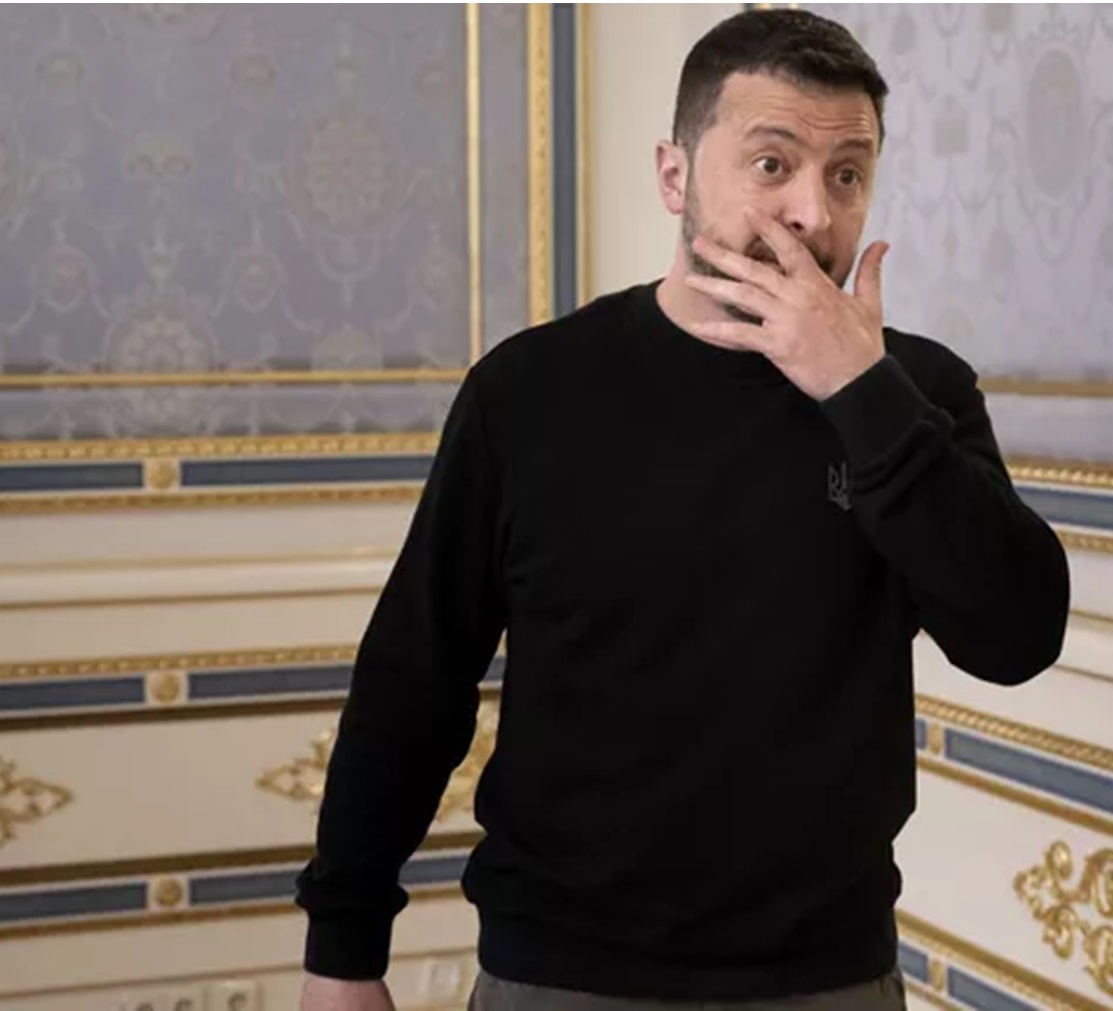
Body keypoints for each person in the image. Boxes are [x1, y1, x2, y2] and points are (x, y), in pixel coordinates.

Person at [295, 8, 1070, 1011]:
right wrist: (343, 951)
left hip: (826, 976)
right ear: (674, 175)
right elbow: (416, 675)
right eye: (771, 164)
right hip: (559, 973)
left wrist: (859, 394)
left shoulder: (916, 393)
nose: (811, 212)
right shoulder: (527, 394)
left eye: (846, 174)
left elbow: (1016, 637)